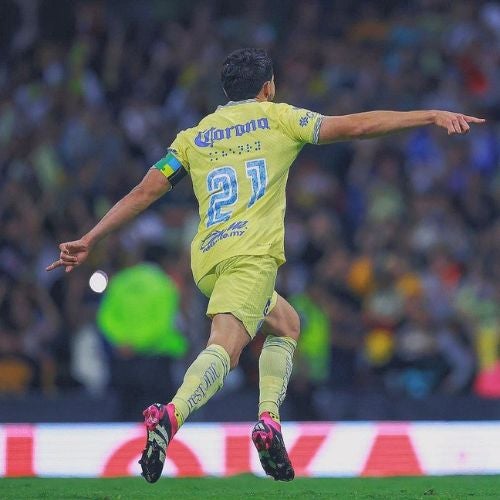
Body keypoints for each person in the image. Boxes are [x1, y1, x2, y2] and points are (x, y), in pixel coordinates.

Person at [46, 48, 484, 483]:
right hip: (251, 256)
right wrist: (428, 115)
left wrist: (90, 238)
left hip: (208, 259)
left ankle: (269, 422)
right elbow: (358, 125)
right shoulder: (278, 118)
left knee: (287, 324)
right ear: (268, 87)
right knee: (226, 347)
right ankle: (170, 415)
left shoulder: (195, 135)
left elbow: (144, 191)